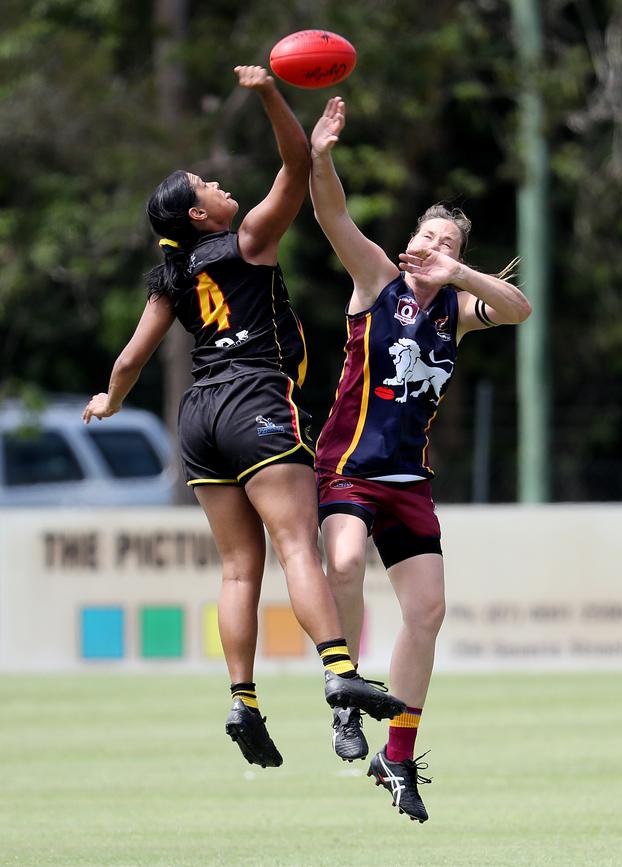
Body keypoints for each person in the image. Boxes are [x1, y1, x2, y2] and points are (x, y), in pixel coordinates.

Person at [83, 69, 405, 770]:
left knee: (237, 570)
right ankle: (339, 668)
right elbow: (293, 166)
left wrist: (108, 401)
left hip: (198, 417)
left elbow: (131, 359)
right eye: (206, 185)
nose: (219, 185)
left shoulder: (172, 279)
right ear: (199, 215)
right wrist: (270, 95)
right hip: (255, 400)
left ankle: (243, 698)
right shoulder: (251, 237)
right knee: (297, 545)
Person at [309, 96, 532, 821]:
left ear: (458, 256)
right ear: (410, 242)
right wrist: (321, 157)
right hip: (347, 467)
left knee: (427, 612)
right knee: (341, 564)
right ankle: (343, 694)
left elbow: (521, 307)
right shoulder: (377, 281)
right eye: (426, 232)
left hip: (408, 483)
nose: (432, 242)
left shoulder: (458, 309)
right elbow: (331, 215)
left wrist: (460, 276)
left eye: (448, 240)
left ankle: (397, 755)